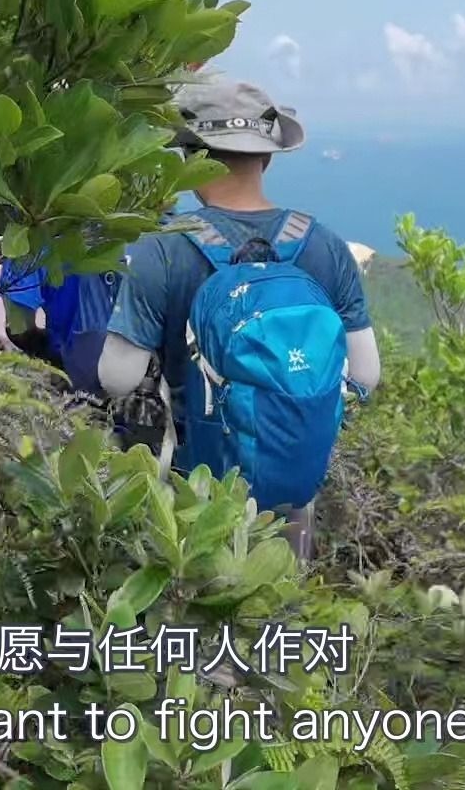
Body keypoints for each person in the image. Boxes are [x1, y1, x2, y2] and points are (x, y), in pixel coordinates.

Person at [97, 75, 381, 562]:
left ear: (189, 154)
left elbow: (116, 379)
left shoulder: (163, 248)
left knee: (190, 620)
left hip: (192, 490)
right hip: (290, 486)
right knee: (274, 610)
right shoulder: (325, 245)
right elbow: (365, 376)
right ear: (267, 156)